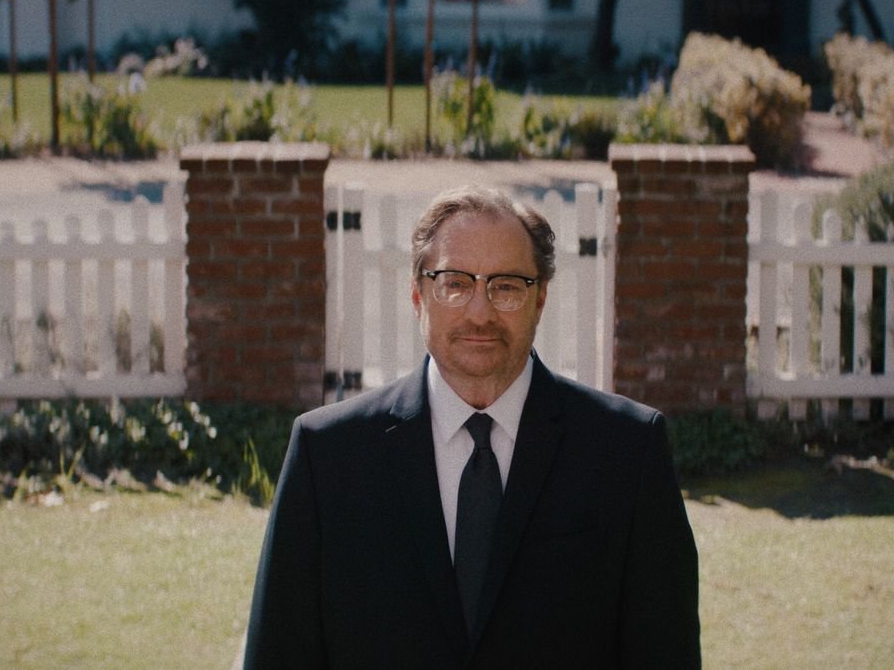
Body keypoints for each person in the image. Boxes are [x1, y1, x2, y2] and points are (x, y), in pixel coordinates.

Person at [242, 186, 700, 668]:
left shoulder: (628, 452)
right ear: (418, 295)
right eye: (455, 282)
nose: (480, 312)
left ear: (539, 299)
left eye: (505, 286)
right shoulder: (327, 457)